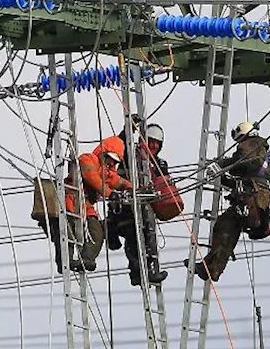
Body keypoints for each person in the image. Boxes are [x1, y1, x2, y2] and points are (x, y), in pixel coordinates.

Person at [192, 121, 270, 282]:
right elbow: (244, 176)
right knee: (228, 230)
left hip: (251, 200)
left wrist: (220, 165)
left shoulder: (253, 144)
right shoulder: (261, 152)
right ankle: (211, 269)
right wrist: (221, 177)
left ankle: (211, 268)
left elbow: (240, 162)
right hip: (256, 200)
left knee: (224, 228)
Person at [106, 117, 183, 286]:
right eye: (151, 141)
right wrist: (128, 127)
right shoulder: (130, 155)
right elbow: (121, 143)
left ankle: (147, 271)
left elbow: (164, 186)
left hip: (146, 207)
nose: (154, 146)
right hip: (125, 206)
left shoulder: (159, 164)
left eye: (157, 143)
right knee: (133, 236)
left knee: (148, 237)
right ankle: (138, 272)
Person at [47, 134, 132, 274]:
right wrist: (110, 193)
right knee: (66, 232)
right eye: (110, 159)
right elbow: (90, 176)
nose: (111, 163)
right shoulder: (87, 159)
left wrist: (132, 188)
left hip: (85, 206)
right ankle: (64, 261)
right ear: (103, 153)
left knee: (97, 231)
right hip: (68, 200)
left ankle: (87, 259)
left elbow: (120, 182)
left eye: (115, 162)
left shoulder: (108, 174)